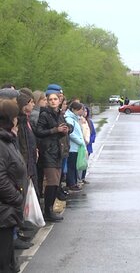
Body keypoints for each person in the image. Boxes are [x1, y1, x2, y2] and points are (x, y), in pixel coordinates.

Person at [34, 91, 70, 222]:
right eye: (51, 100)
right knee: (52, 182)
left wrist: (67, 129)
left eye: (55, 99)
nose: (53, 101)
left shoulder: (59, 114)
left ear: (59, 101)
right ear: (48, 102)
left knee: (56, 183)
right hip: (48, 152)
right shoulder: (45, 114)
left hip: (58, 151)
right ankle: (48, 210)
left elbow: (64, 127)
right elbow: (39, 131)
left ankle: (50, 208)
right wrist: (55, 130)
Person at [0, 99, 25, 273]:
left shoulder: (7, 138)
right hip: (4, 208)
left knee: (7, 256)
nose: (17, 120)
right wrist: (16, 197)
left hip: (7, 209)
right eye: (15, 117)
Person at [64, 102, 86, 191]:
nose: (82, 111)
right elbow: (71, 133)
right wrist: (80, 141)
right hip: (72, 147)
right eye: (80, 109)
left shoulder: (75, 119)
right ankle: (71, 183)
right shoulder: (69, 119)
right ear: (74, 110)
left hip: (76, 147)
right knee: (71, 166)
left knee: (74, 165)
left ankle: (74, 182)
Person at [81, 106, 96, 184]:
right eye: (84, 111)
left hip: (88, 146)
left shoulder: (89, 122)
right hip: (81, 146)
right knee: (80, 162)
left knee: (85, 163)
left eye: (86, 111)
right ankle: (79, 178)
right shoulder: (79, 121)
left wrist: (90, 140)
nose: (85, 113)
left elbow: (93, 133)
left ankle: (83, 177)